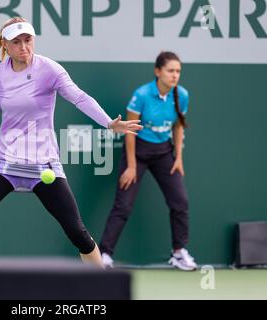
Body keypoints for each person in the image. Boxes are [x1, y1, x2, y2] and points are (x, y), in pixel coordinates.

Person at [0, 17, 142, 268]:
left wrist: (108, 122)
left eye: (28, 40)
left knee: (77, 232)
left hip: (44, 166)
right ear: (5, 45)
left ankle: (103, 287)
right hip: (4, 164)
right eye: (16, 42)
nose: (24, 47)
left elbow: (79, 98)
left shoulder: (50, 69)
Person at [99, 52, 197, 271]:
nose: (175, 75)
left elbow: (179, 126)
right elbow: (130, 132)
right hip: (138, 152)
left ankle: (179, 252)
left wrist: (178, 157)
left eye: (178, 71)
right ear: (158, 71)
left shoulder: (182, 95)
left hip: (164, 153)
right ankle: (104, 254)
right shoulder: (141, 95)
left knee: (180, 202)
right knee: (123, 206)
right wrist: (132, 166)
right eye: (170, 70)